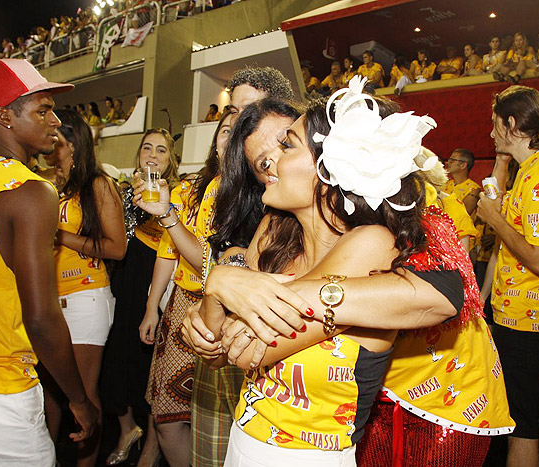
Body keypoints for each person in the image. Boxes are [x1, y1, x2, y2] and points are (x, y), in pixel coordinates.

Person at [183, 79, 513, 467]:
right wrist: (221, 284)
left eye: (285, 144)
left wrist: (235, 285)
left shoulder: (375, 240)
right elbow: (219, 348)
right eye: (260, 164)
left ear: (333, 161)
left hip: (430, 404)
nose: (270, 165)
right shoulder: (273, 233)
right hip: (247, 439)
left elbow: (244, 347)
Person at [136, 66, 296, 467]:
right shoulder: (228, 191)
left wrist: (226, 284)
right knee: (200, 439)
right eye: (233, 116)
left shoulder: (301, 197)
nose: (239, 124)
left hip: (287, 372)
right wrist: (201, 303)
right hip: (217, 332)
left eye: (250, 112)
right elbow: (216, 264)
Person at [0, 58, 97, 464]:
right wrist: (79, 399)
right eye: (42, 109)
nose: (55, 120)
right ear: (5, 115)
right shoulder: (32, 192)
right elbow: (41, 317)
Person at [476, 85, 539, 467]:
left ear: (511, 124)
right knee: (530, 414)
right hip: (522, 316)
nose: (490, 133)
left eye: (494, 124)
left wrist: (495, 219)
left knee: (519, 424)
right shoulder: (533, 169)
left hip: (525, 321)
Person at [41, 109, 126, 467]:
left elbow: (117, 247)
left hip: (86, 296)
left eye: (57, 137)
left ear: (73, 143)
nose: (49, 143)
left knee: (84, 393)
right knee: (47, 390)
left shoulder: (97, 185)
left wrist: (62, 235)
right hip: (46, 298)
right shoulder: (42, 182)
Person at [101, 128, 180, 466]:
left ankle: (151, 444)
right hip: (125, 279)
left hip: (156, 281)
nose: (152, 154)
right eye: (147, 147)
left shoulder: (177, 196)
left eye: (161, 150)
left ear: (170, 160)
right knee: (115, 359)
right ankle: (126, 427)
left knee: (148, 365)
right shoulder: (121, 192)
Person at [443, 148, 481, 215]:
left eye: (452, 160)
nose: (448, 162)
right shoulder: (446, 184)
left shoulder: (473, 189)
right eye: (449, 159)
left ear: (463, 165)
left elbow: (463, 214)